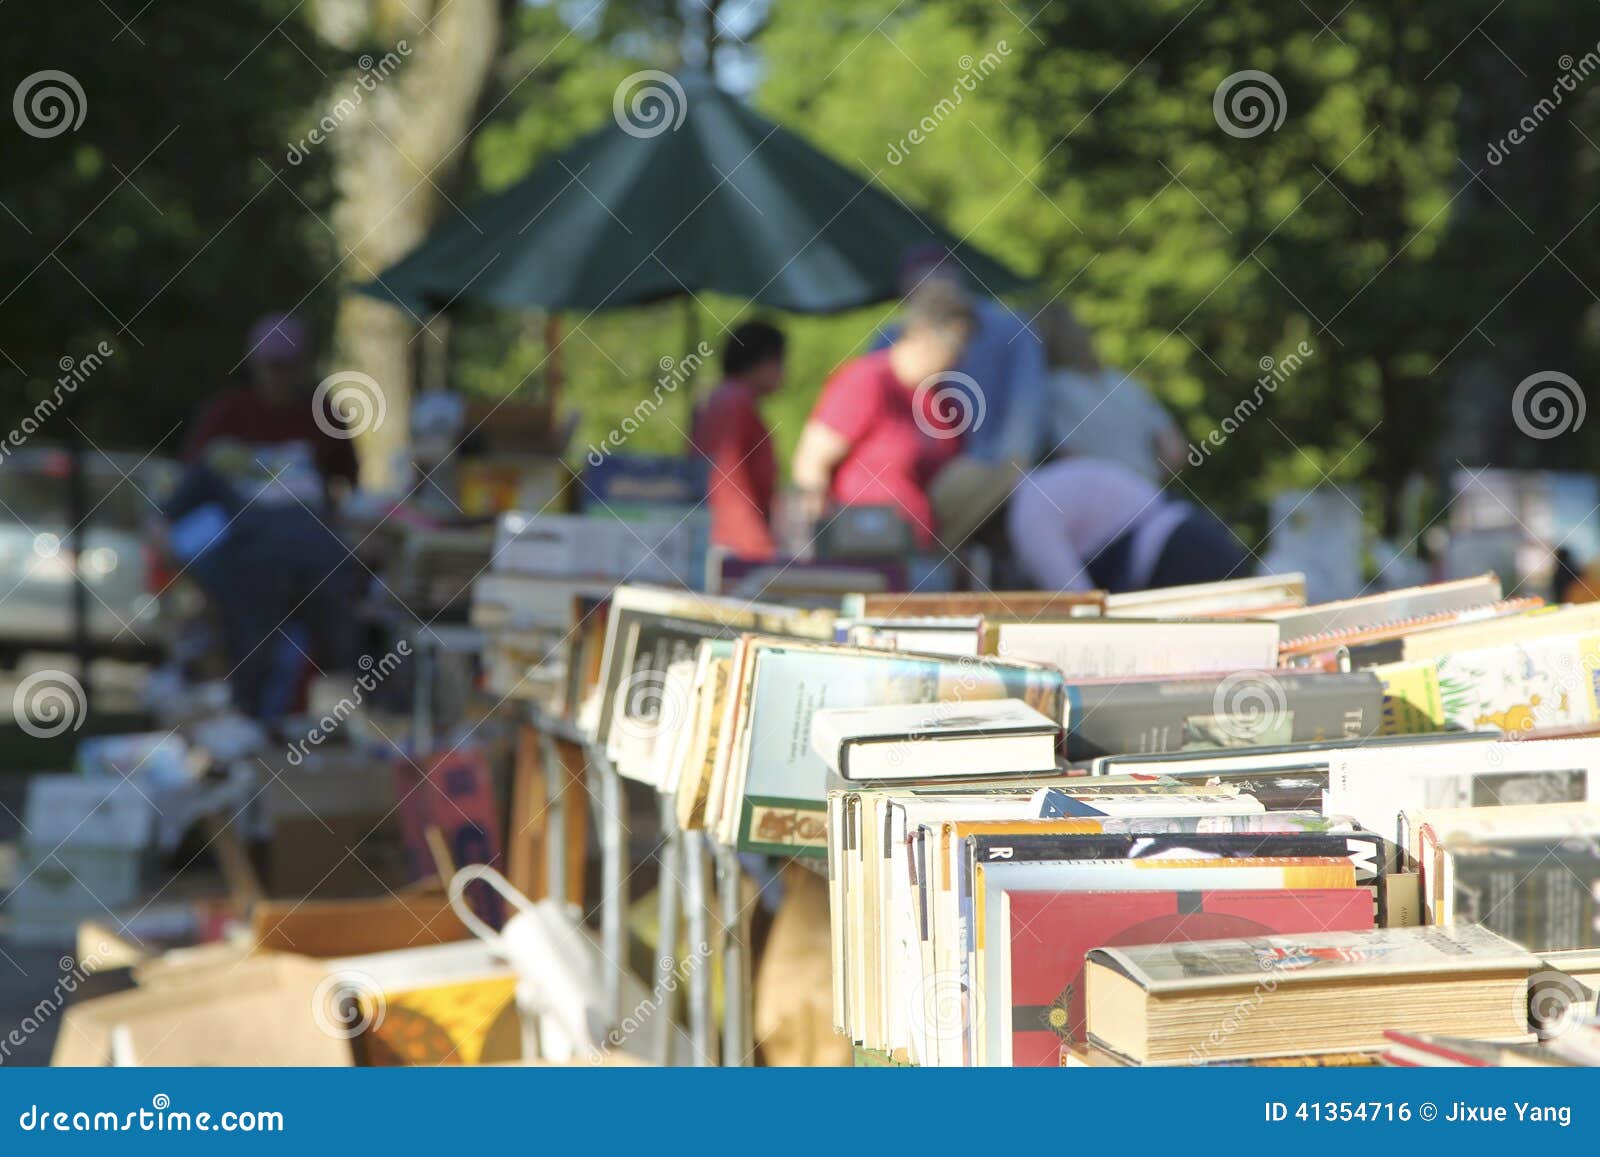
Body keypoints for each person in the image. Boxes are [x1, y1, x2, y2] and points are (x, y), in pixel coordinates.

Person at [165, 313, 360, 719]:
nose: (279, 377)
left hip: (314, 552)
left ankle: (337, 726)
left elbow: (348, 484)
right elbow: (189, 486)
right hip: (247, 556)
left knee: (338, 627)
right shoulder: (229, 412)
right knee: (252, 636)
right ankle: (248, 724)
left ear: (304, 364)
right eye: (271, 366)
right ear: (254, 365)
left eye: (287, 366)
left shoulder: (322, 412)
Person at [791, 281, 975, 548]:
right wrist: (821, 542)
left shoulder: (945, 403)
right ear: (920, 333)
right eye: (954, 346)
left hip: (921, 552)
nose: (958, 358)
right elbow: (810, 463)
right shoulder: (867, 381)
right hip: (861, 552)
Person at [873, 242, 1048, 468]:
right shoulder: (891, 338)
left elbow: (1026, 406)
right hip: (920, 476)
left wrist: (1005, 473)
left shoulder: (1011, 328)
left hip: (989, 474)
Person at [1007, 457, 1252, 593]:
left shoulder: (1026, 519)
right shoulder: (1048, 483)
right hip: (1193, 534)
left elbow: (1079, 602)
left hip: (1177, 558)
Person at [1037, 303, 1185, 483]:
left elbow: (1070, 458)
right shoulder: (1124, 382)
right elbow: (1174, 450)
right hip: (1147, 495)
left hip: (1098, 501)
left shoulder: (1052, 389)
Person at [689, 320, 786, 561]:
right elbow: (726, 476)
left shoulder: (723, 399)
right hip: (731, 544)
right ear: (763, 360)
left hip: (720, 536)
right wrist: (756, 545)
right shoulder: (734, 402)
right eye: (780, 361)